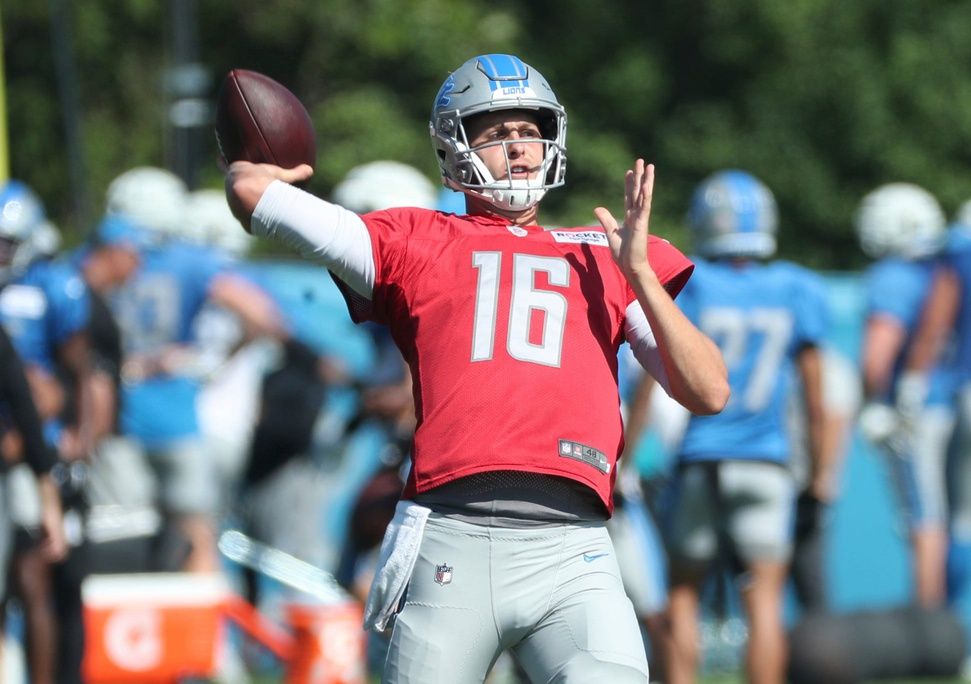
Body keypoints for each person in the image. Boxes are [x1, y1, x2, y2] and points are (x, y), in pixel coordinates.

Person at [223, 53, 728, 683]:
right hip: (452, 537)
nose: (520, 148)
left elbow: (708, 391)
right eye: (496, 133)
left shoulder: (608, 256)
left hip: (577, 547)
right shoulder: (414, 239)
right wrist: (254, 167)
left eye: (530, 130)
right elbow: (252, 194)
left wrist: (644, 278)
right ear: (456, 148)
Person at [658, 170, 831, 684]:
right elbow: (816, 400)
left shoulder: (695, 284)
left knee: (682, 595)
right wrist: (819, 478)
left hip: (700, 458)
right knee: (764, 603)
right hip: (766, 460)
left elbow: (653, 378)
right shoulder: (796, 287)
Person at [854, 182, 955, 608]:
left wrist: (875, 400)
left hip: (919, 411)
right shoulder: (946, 272)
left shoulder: (893, 277)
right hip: (953, 401)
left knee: (923, 517)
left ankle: (931, 624)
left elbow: (877, 356)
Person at [901, 206, 971, 609]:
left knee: (959, 518)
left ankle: (951, 627)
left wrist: (912, 380)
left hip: (963, 387)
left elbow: (938, 317)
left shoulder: (961, 244)